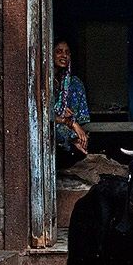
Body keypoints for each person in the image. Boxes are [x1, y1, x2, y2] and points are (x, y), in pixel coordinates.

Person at [52, 40, 90, 169]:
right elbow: (44, 114)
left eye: (67, 53)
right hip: (56, 126)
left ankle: (79, 139)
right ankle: (74, 139)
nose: (64, 55)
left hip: (69, 123)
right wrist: (72, 124)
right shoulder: (44, 81)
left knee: (76, 83)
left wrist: (72, 121)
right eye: (59, 52)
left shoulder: (71, 82)